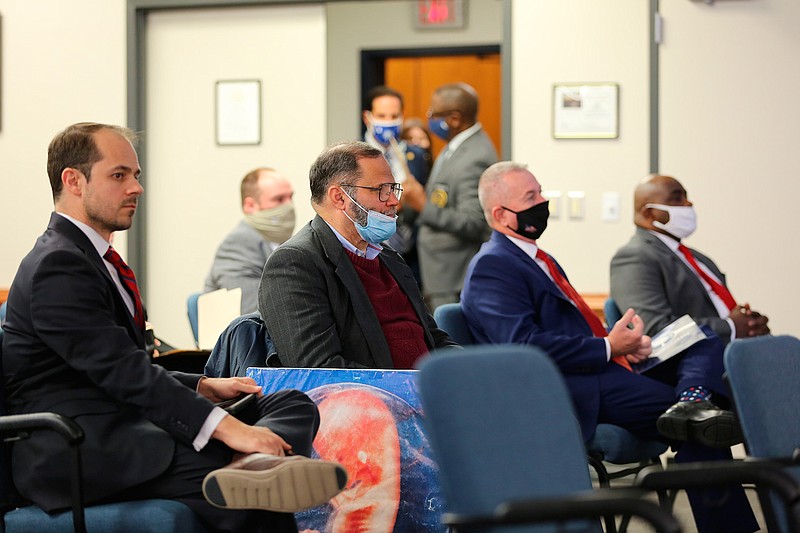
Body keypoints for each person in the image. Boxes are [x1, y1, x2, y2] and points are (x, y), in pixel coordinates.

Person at [1, 123, 346, 533]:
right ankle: (247, 470)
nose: (136, 188)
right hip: (81, 447)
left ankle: (251, 466)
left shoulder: (92, 258)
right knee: (250, 498)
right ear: (73, 181)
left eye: (136, 175)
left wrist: (201, 386)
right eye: (119, 175)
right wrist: (229, 430)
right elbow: (121, 373)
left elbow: (120, 365)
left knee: (289, 402)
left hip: (126, 423)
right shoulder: (57, 266)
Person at [460, 162, 758, 533]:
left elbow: (568, 328)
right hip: (574, 386)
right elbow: (523, 346)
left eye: (541, 191)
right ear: (501, 214)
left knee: (700, 337)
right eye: (531, 197)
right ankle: (697, 412)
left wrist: (622, 345)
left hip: (604, 366)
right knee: (702, 423)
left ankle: (692, 399)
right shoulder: (493, 265)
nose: (544, 201)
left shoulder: (536, 258)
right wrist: (606, 347)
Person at [258, 141, 457, 369]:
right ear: (339, 197)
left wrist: (469, 370)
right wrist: (410, 387)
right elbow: (320, 369)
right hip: (375, 400)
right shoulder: (295, 264)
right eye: (381, 190)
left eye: (393, 189)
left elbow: (433, 338)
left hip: (431, 393)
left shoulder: (388, 258)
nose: (393, 200)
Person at [610, 174, 770, 344]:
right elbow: (656, 329)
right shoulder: (634, 257)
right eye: (677, 198)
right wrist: (730, 327)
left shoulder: (698, 258)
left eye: (686, 197)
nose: (688, 204)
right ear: (650, 213)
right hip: (696, 364)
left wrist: (750, 324)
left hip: (737, 351)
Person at [401, 82, 497, 310]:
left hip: (453, 278)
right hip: (439, 274)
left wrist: (423, 205)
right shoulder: (454, 146)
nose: (429, 119)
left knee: (452, 343)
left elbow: (474, 222)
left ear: (454, 119)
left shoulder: (475, 156)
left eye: (433, 114)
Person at [362, 86, 429, 288]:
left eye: (394, 116)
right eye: (381, 115)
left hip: (411, 256)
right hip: (370, 254)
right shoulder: (353, 156)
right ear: (368, 118)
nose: (388, 121)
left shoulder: (415, 156)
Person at [205, 167, 295, 314]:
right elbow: (251, 311)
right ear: (250, 206)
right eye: (279, 199)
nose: (288, 206)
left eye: (290, 197)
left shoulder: (287, 241)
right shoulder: (237, 245)